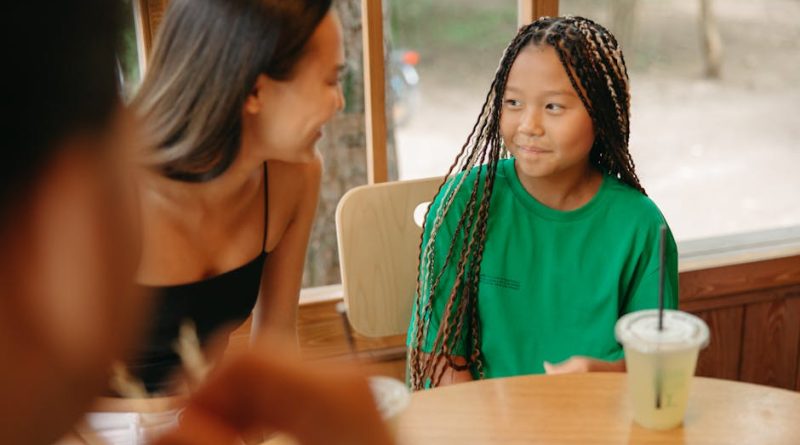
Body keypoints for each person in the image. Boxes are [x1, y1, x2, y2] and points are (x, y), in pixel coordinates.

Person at [0, 2, 392, 445]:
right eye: (331, 80)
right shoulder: (109, 188)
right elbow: (36, 377)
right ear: (255, 90)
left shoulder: (295, 176)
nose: (340, 102)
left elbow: (276, 342)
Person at [406, 16, 679, 390]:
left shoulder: (641, 227)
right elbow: (436, 359)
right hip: (478, 418)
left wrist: (607, 377)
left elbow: (659, 370)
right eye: (513, 102)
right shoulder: (463, 206)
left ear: (601, 114)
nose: (529, 125)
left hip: (597, 415)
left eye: (553, 106)